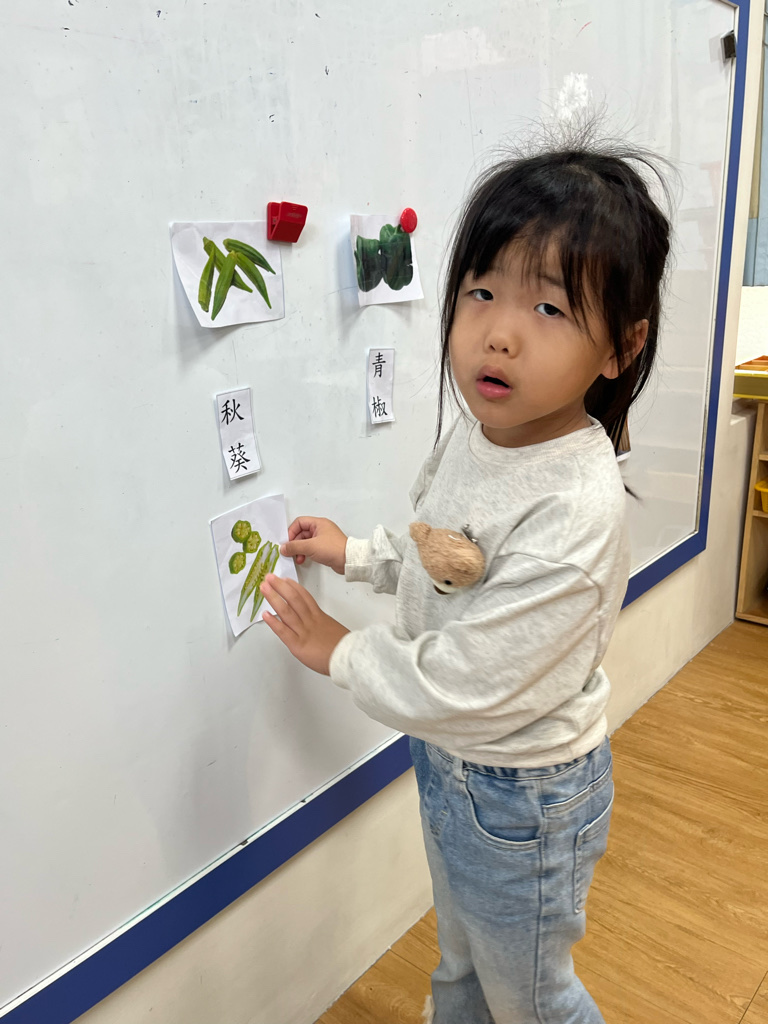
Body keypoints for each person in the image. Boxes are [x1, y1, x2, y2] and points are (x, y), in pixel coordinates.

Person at [258, 129, 672, 1024]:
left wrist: (340, 651)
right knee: (461, 970)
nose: (499, 333)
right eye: (482, 292)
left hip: (524, 799)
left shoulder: (576, 505)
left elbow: (471, 684)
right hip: (453, 763)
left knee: (533, 999)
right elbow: (448, 557)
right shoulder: (481, 437)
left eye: (550, 307)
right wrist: (358, 554)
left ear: (621, 346)